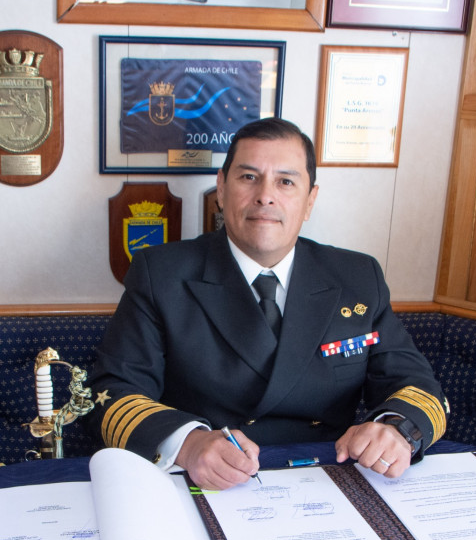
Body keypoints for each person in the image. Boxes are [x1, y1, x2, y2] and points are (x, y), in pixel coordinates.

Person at [89, 117, 447, 490]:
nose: (265, 195)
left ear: (310, 201)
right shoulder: (161, 274)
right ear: (222, 189)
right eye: (248, 177)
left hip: (326, 478)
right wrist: (188, 445)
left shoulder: (357, 277)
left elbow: (415, 384)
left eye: (286, 181)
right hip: (208, 479)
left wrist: (398, 430)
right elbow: (112, 393)